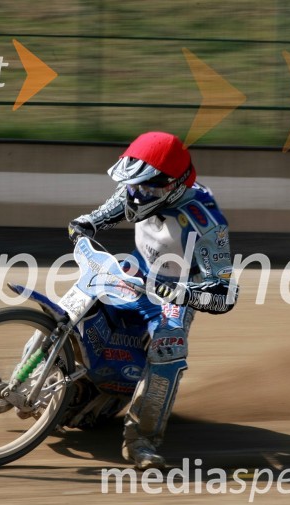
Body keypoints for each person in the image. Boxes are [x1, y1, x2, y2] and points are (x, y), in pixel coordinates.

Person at [67, 131, 237, 470]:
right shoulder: (139, 188)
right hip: (134, 271)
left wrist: (183, 293)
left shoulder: (207, 225)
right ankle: (29, 373)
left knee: (169, 346)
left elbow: (224, 294)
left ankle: (142, 439)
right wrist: (87, 223)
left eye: (148, 188)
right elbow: (111, 209)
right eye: (134, 185)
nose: (138, 195)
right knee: (75, 300)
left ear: (174, 185)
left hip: (173, 293)